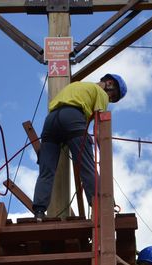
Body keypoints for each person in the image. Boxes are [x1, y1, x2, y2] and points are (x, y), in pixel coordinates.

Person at [32, 74, 127, 220]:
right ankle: (100, 206)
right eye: (113, 96)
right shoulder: (100, 92)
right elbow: (99, 126)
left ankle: (39, 211)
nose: (110, 99)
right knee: (87, 166)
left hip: (51, 121)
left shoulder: (76, 85)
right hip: (72, 118)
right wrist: (104, 151)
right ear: (109, 83)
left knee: (46, 171)